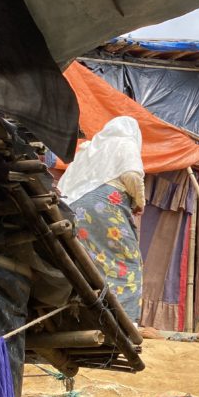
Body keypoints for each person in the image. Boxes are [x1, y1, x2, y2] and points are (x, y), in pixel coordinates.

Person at [58, 116, 145, 323]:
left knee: (89, 260)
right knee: (128, 262)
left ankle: (86, 317)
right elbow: (132, 175)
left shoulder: (88, 149)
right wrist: (140, 201)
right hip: (103, 205)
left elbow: (63, 184)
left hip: (72, 208)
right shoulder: (125, 142)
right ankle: (123, 321)